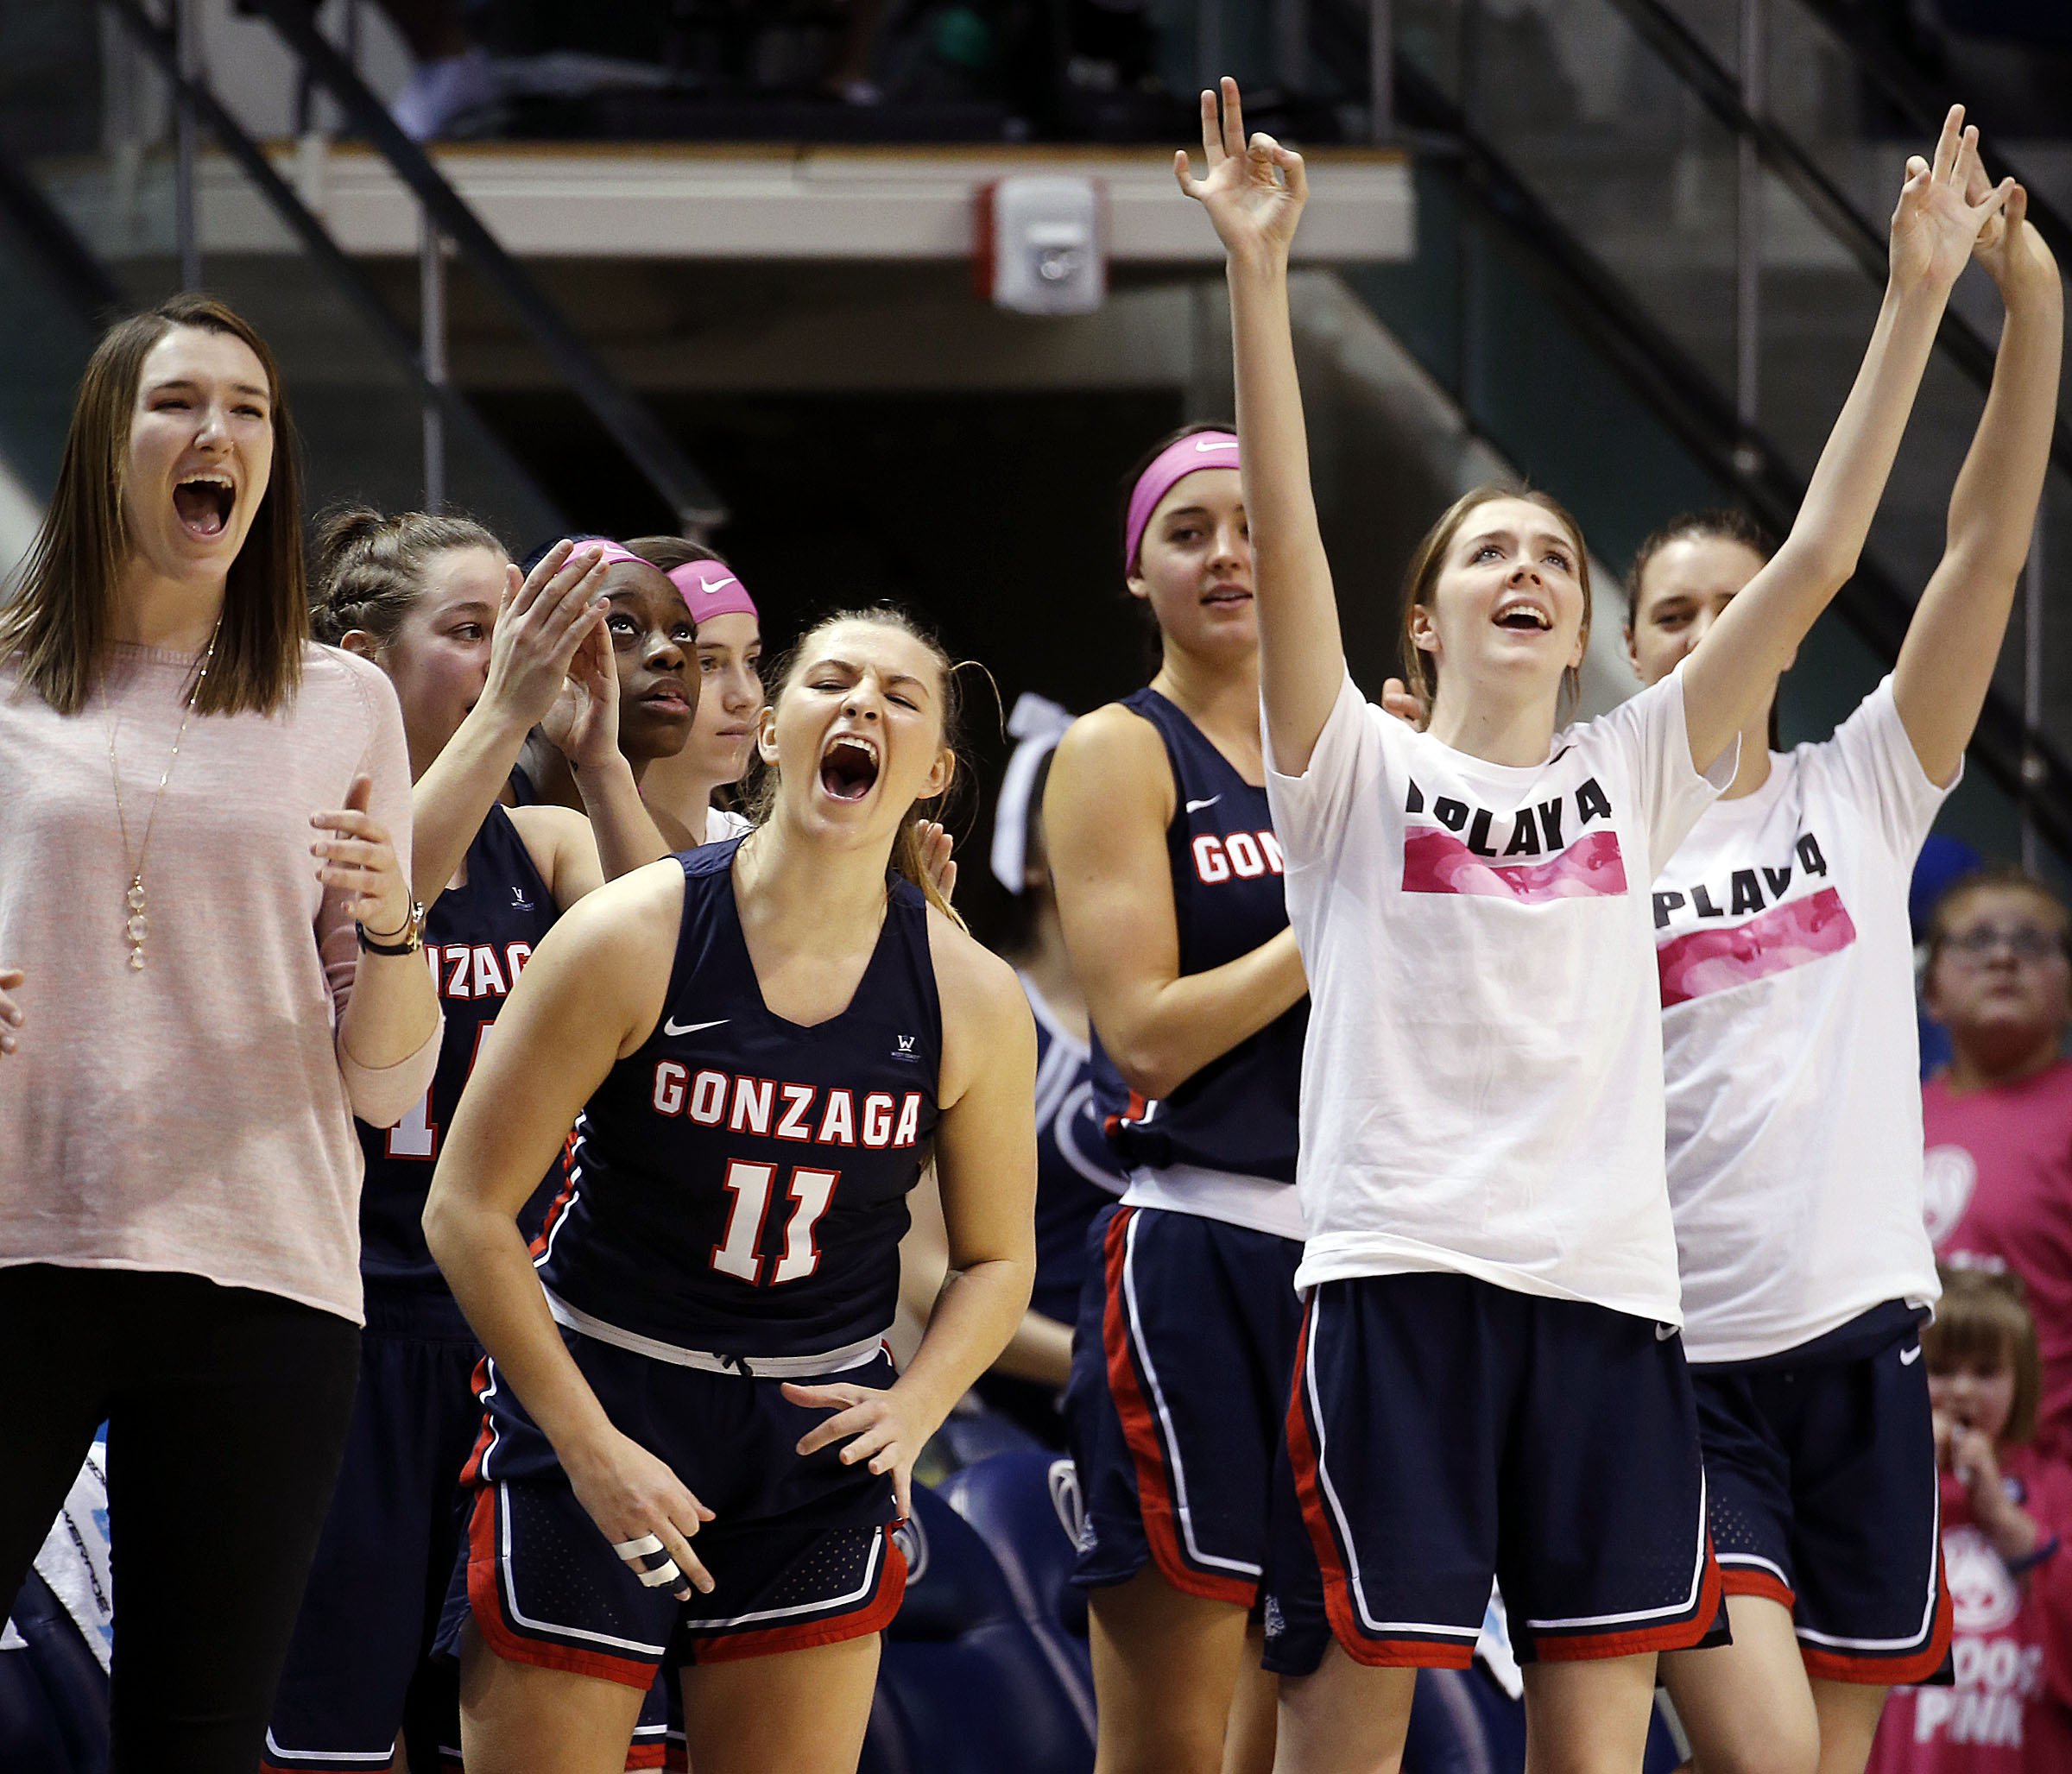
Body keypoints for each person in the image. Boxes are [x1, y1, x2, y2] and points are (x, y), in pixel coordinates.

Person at [1183, 78, 2010, 1771]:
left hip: (1615, 1314)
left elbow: (1830, 549)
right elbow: (1291, 534)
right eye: (1491, 547)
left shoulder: (1641, 771)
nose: (1528, 566)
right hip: (1400, 1280)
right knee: (1343, 1729)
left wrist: (1919, 292)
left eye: (1553, 553)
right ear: (1430, 615)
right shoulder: (1352, 769)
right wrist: (1261, 274)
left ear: (1582, 634)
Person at [420, 606, 1037, 1774]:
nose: (861, 705)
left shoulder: (973, 993)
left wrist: (915, 1410)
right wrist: (585, 1437)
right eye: (832, 681)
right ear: (770, 732)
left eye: (900, 695)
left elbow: (1000, 1259)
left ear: (937, 772)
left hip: (813, 1442)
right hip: (608, 1389)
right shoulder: (631, 930)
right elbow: (466, 1208)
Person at [1633, 169, 2061, 1774]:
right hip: (1681, 1370)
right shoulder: (1594, 829)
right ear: (1633, 653)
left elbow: (1987, 550)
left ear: (1789, 624)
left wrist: (2032, 315)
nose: (1699, 631)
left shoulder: (1863, 787)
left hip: (1866, 1350)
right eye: (1667, 614)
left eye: (1727, 603)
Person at [0, 293, 441, 1770]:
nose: (220, 435)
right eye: (182, 403)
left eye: (249, 410)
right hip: (24, 1237)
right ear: (102, 444)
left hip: (267, 1271)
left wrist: (390, 932)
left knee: (194, 1740)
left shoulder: (341, 701)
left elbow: (383, 1082)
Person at [263, 513, 671, 1774]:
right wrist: (508, 709)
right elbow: (384, 899)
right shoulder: (298, 834)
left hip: (522, 1346)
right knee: (337, 1742)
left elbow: (685, 992)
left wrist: (599, 759)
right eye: (473, 630)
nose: (520, 656)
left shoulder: (543, 842)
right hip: (357, 1333)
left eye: (525, 623)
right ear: (361, 661)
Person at [1043, 423, 1310, 1774]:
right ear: (1135, 571)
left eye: (1253, 523)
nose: (1227, 554)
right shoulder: (1115, 750)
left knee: (1313, 1710)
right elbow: (1143, 1033)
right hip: (1196, 1251)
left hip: (1367, 1252)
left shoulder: (1362, 745)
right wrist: (1332, 916)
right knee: (1171, 1742)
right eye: (1188, 530)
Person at [900, 692, 1128, 1450]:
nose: (1125, 842)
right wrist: (1104, 1366)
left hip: (1167, 1415)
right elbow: (927, 1274)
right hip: (1009, 1433)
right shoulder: (985, 1009)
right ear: (1028, 856)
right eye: (1084, 818)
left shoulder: (1186, 1027)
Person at [1867, 1266, 2072, 1772]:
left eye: (1985, 1372)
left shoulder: (2056, 1489)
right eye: (1941, 1370)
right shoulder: (1870, 1481)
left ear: (2021, 1381)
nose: (1962, 1390)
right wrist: (1907, 1477)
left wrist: (2006, 1522)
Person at [1924, 868, 2072, 1456]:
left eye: (2034, 942)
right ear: (1931, 991)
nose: (2005, 956)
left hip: (2042, 1502)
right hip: (1894, 1496)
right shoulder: (1887, 1119)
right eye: (1977, 939)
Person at [509, 542, 696, 823]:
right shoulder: (475, 816)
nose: (670, 652)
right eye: (621, 625)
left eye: (682, 633)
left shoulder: (672, 841)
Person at [622, 535, 764, 849]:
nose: (745, 698)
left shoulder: (756, 851)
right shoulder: (558, 840)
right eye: (708, 663)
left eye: (751, 662)